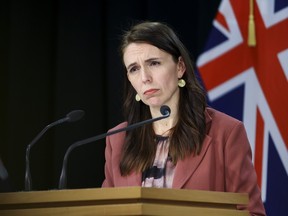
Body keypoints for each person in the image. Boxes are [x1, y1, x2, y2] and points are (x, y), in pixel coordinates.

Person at [102, 21, 266, 215]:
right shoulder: (118, 139)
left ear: (180, 67)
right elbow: (107, 210)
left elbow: (252, 213)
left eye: (154, 63)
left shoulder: (226, 133)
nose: (145, 77)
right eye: (134, 69)